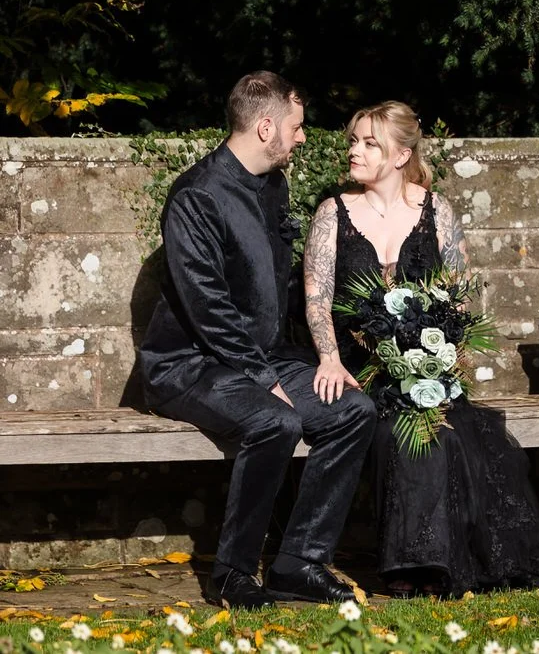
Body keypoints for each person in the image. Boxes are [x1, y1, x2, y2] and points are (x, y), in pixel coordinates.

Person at [302, 100, 539, 598]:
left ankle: (441, 562)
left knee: (454, 435)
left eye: (370, 143)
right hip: (359, 371)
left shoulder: (437, 212)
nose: (355, 151)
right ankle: (414, 567)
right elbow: (317, 297)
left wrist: (440, 359)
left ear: (399, 155)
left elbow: (457, 297)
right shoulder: (333, 214)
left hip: (426, 365)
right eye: (354, 141)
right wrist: (328, 355)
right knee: (396, 433)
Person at [139, 71, 376, 609]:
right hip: (188, 365)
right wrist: (266, 378)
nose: (303, 137)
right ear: (267, 126)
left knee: (353, 410)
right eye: (296, 126)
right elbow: (209, 308)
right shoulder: (196, 197)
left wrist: (331, 352)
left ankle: (299, 563)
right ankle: (233, 575)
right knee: (276, 420)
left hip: (262, 357)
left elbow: (282, 286)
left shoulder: (273, 185)